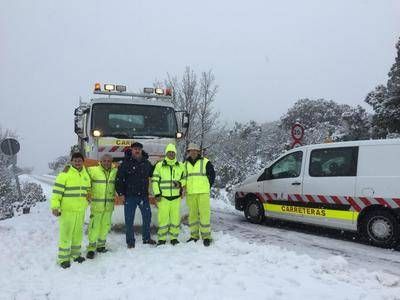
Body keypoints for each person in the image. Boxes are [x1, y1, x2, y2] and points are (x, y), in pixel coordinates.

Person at [50, 152, 91, 268]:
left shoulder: (85, 174)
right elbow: (57, 192)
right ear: (71, 161)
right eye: (75, 160)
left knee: (77, 234)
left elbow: (88, 189)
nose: (78, 163)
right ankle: (63, 258)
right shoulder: (64, 175)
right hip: (67, 210)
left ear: (83, 162)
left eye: (80, 161)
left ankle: (76, 254)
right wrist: (55, 207)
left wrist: (88, 199)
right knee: (66, 234)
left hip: (80, 210)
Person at [116, 142, 155, 248]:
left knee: (147, 217)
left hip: (143, 196)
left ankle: (146, 238)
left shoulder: (146, 163)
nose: (137, 151)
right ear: (132, 150)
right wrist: (121, 194)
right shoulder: (125, 163)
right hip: (130, 196)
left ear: (141, 150)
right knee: (129, 219)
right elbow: (119, 179)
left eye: (139, 149)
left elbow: (155, 173)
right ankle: (130, 241)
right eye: (135, 149)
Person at [152, 143, 185, 246]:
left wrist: (180, 183)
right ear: (166, 153)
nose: (171, 154)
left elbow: (185, 178)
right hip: (164, 198)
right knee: (163, 219)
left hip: (176, 198)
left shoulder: (181, 166)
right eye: (169, 152)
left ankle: (174, 238)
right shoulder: (159, 165)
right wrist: (157, 194)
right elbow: (155, 181)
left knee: (175, 219)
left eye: (173, 152)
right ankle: (161, 239)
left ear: (175, 153)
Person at [86, 154, 117, 259]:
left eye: (109, 161)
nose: (107, 163)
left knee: (105, 227)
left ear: (112, 162)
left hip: (109, 206)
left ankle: (101, 246)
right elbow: (82, 175)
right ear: (100, 161)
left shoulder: (115, 172)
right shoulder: (93, 170)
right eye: (104, 161)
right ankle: (91, 248)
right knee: (94, 227)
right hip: (97, 206)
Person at [184, 143, 215, 247]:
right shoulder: (185, 164)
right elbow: (184, 178)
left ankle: (206, 237)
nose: (193, 152)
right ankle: (194, 236)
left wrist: (207, 186)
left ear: (198, 152)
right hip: (191, 193)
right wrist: (182, 185)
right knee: (192, 216)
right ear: (188, 152)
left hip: (203, 193)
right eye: (191, 150)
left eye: (195, 150)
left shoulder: (206, 162)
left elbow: (212, 175)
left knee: (204, 215)